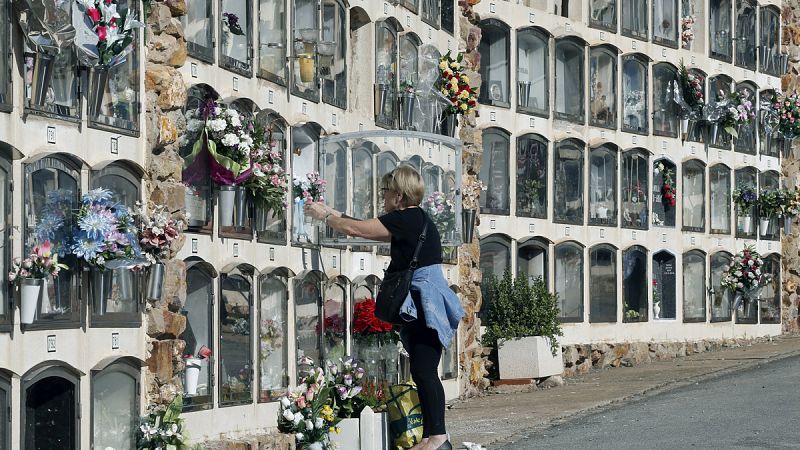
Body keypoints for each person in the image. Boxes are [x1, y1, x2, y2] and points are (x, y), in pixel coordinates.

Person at [305, 165, 464, 450]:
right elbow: (364, 227)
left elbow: (357, 228)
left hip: (423, 301)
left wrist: (325, 216)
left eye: (386, 191)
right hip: (422, 300)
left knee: (425, 369)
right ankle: (431, 436)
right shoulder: (414, 219)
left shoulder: (405, 219)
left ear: (399, 196)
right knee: (421, 368)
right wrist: (330, 211)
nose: (383, 196)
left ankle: (439, 437)